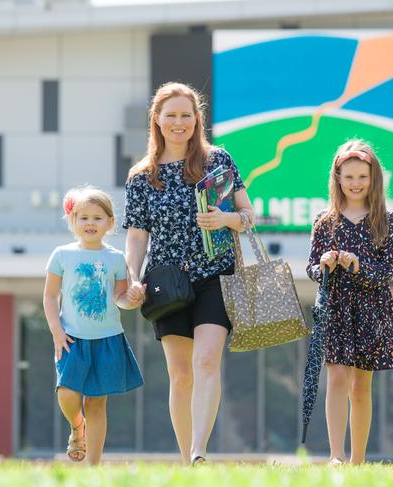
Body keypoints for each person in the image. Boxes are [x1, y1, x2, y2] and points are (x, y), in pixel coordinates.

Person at [123, 82, 254, 465]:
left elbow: (250, 216)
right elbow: (136, 236)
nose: (179, 122)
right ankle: (186, 461)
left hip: (216, 273)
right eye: (172, 115)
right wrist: (133, 277)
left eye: (186, 115)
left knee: (207, 360)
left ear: (197, 119)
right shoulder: (142, 176)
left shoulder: (218, 161)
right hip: (166, 283)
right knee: (180, 375)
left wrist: (226, 218)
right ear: (157, 121)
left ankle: (199, 451)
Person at [306, 139, 393, 465]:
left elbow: (386, 270)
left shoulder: (386, 219)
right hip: (336, 306)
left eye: (362, 177)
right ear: (337, 178)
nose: (355, 183)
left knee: (361, 386)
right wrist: (323, 262)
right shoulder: (324, 220)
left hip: (371, 309)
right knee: (336, 377)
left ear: (373, 178)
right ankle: (336, 456)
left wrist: (357, 264)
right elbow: (311, 268)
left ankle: (358, 460)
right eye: (349, 177)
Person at [43, 185, 144, 465]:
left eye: (97, 217)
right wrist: (56, 330)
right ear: (72, 221)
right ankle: (78, 427)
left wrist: (132, 298)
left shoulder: (115, 259)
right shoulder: (62, 255)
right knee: (66, 392)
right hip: (71, 338)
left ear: (110, 223)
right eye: (83, 217)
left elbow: (120, 297)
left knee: (97, 402)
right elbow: (50, 296)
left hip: (108, 339)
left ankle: (94, 468)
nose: (90, 223)